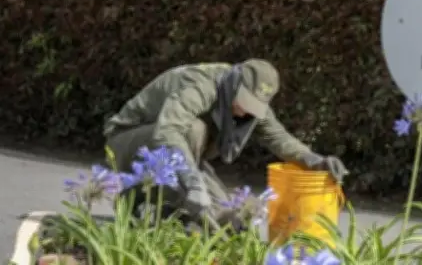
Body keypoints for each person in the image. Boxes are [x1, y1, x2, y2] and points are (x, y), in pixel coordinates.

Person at [103, 59, 348, 230]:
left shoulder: (252, 105)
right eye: (245, 101)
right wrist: (191, 180)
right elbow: (167, 131)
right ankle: (138, 198)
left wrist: (314, 160)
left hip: (176, 153)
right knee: (194, 131)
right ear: (235, 85)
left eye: (254, 106)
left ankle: (174, 209)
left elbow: (279, 138)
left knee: (226, 218)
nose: (246, 111)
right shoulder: (202, 84)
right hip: (127, 144)